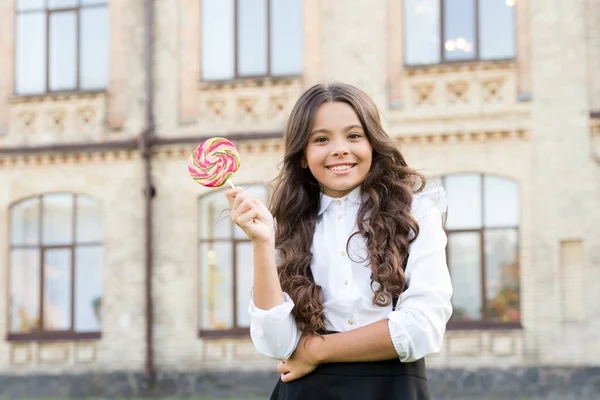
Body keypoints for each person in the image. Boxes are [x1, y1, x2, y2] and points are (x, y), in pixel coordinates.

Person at [225, 82, 452, 400]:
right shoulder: (287, 224)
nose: (340, 148)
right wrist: (263, 243)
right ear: (302, 156)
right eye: (321, 139)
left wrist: (315, 350)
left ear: (373, 143)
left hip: (393, 388)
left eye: (354, 135)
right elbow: (275, 344)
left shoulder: (416, 212)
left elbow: (423, 327)